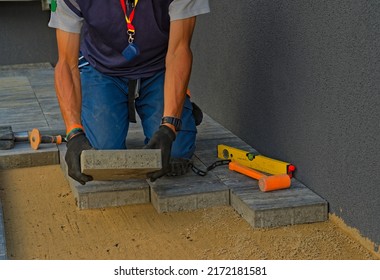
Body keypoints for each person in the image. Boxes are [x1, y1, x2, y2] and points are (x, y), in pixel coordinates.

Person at [48, 0, 210, 185]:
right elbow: (67, 64)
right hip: (101, 67)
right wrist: (74, 133)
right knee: (102, 156)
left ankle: (181, 107)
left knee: (175, 153)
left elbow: (179, 50)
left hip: (158, 66)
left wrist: (170, 126)